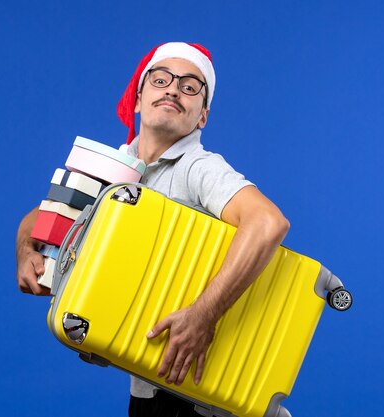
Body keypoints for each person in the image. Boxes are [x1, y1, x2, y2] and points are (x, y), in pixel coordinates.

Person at [15, 42, 290, 417]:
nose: (174, 89)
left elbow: (267, 223)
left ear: (202, 116)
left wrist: (204, 315)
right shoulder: (114, 169)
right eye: (161, 80)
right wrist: (27, 252)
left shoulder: (198, 168)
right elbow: (43, 214)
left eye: (190, 86)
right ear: (139, 98)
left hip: (211, 392)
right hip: (150, 385)